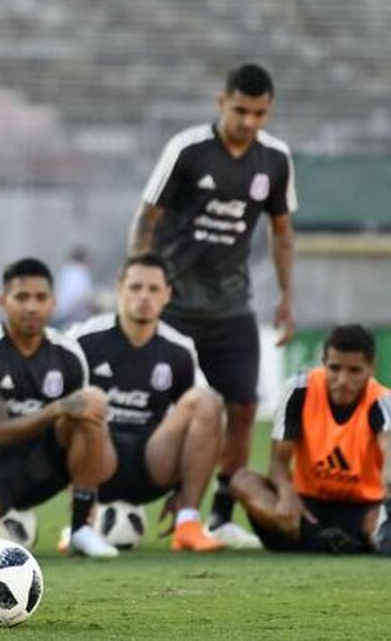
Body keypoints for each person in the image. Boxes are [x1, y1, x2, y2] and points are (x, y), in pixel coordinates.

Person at [127, 63, 298, 547]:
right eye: (241, 110)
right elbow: (147, 217)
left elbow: (281, 233)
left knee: (242, 407)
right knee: (155, 405)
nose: (249, 122)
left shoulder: (275, 160)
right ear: (221, 101)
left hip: (231, 305)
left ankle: (219, 514)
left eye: (260, 113)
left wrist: (286, 295)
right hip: (175, 303)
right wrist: (140, 280)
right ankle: (124, 500)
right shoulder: (188, 150)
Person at [0, 258, 120, 559]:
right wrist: (58, 409)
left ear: (53, 302)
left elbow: (81, 423)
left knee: (90, 407)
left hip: (41, 464)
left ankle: (82, 528)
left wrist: (84, 483)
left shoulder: (68, 353)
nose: (31, 307)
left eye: (40, 298)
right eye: (21, 297)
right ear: (3, 301)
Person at [68, 254, 225, 552]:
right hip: (101, 460)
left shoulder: (179, 348)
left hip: (155, 461)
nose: (144, 297)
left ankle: (188, 524)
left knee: (206, 400)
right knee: (84, 400)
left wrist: (181, 487)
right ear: (120, 288)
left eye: (153, 289)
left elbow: (206, 427)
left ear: (167, 294)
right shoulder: (83, 339)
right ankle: (80, 520)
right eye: (136, 287)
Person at [230, 325, 391, 555]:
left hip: (363, 508)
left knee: (379, 520)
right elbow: (277, 464)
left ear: (371, 368)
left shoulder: (382, 400)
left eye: (354, 370)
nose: (343, 380)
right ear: (323, 362)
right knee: (241, 480)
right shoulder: (299, 390)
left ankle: (324, 542)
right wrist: (286, 493)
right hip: (307, 507)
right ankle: (327, 541)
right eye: (334, 368)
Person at [53, 246, 95, 326]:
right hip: (72, 316)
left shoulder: (67, 271)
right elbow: (81, 296)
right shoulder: (80, 272)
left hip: (61, 313)